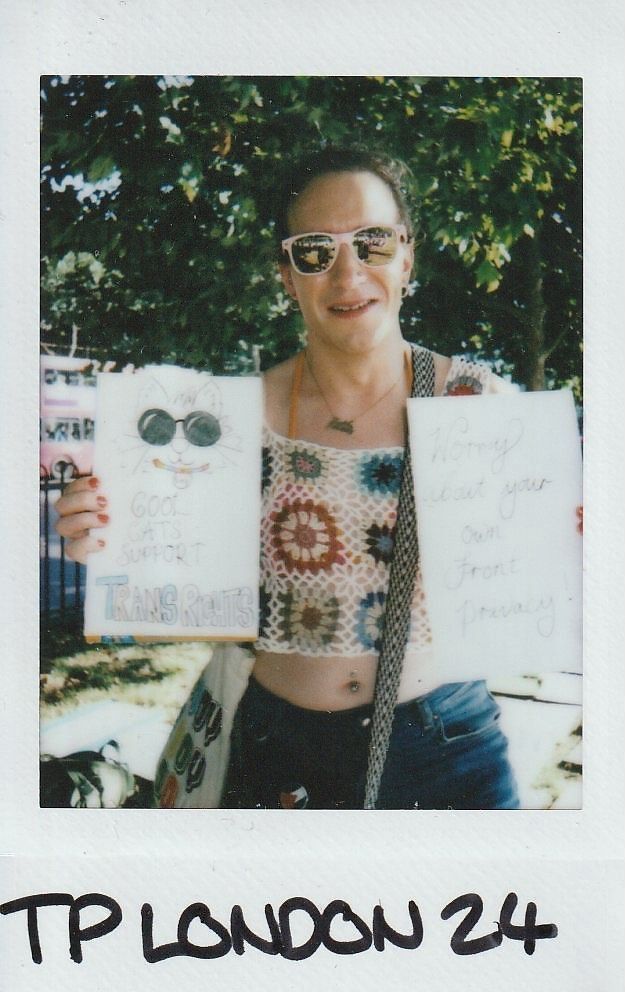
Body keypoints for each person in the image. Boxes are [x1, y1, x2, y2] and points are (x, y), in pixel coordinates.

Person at [56, 145, 522, 810]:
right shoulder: (228, 421)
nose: (347, 271)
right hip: (277, 756)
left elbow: (539, 574)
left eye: (373, 242)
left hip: (439, 751)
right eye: (313, 250)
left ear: (407, 254)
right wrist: (103, 533)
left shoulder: (476, 405)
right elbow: (170, 565)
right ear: (285, 273)